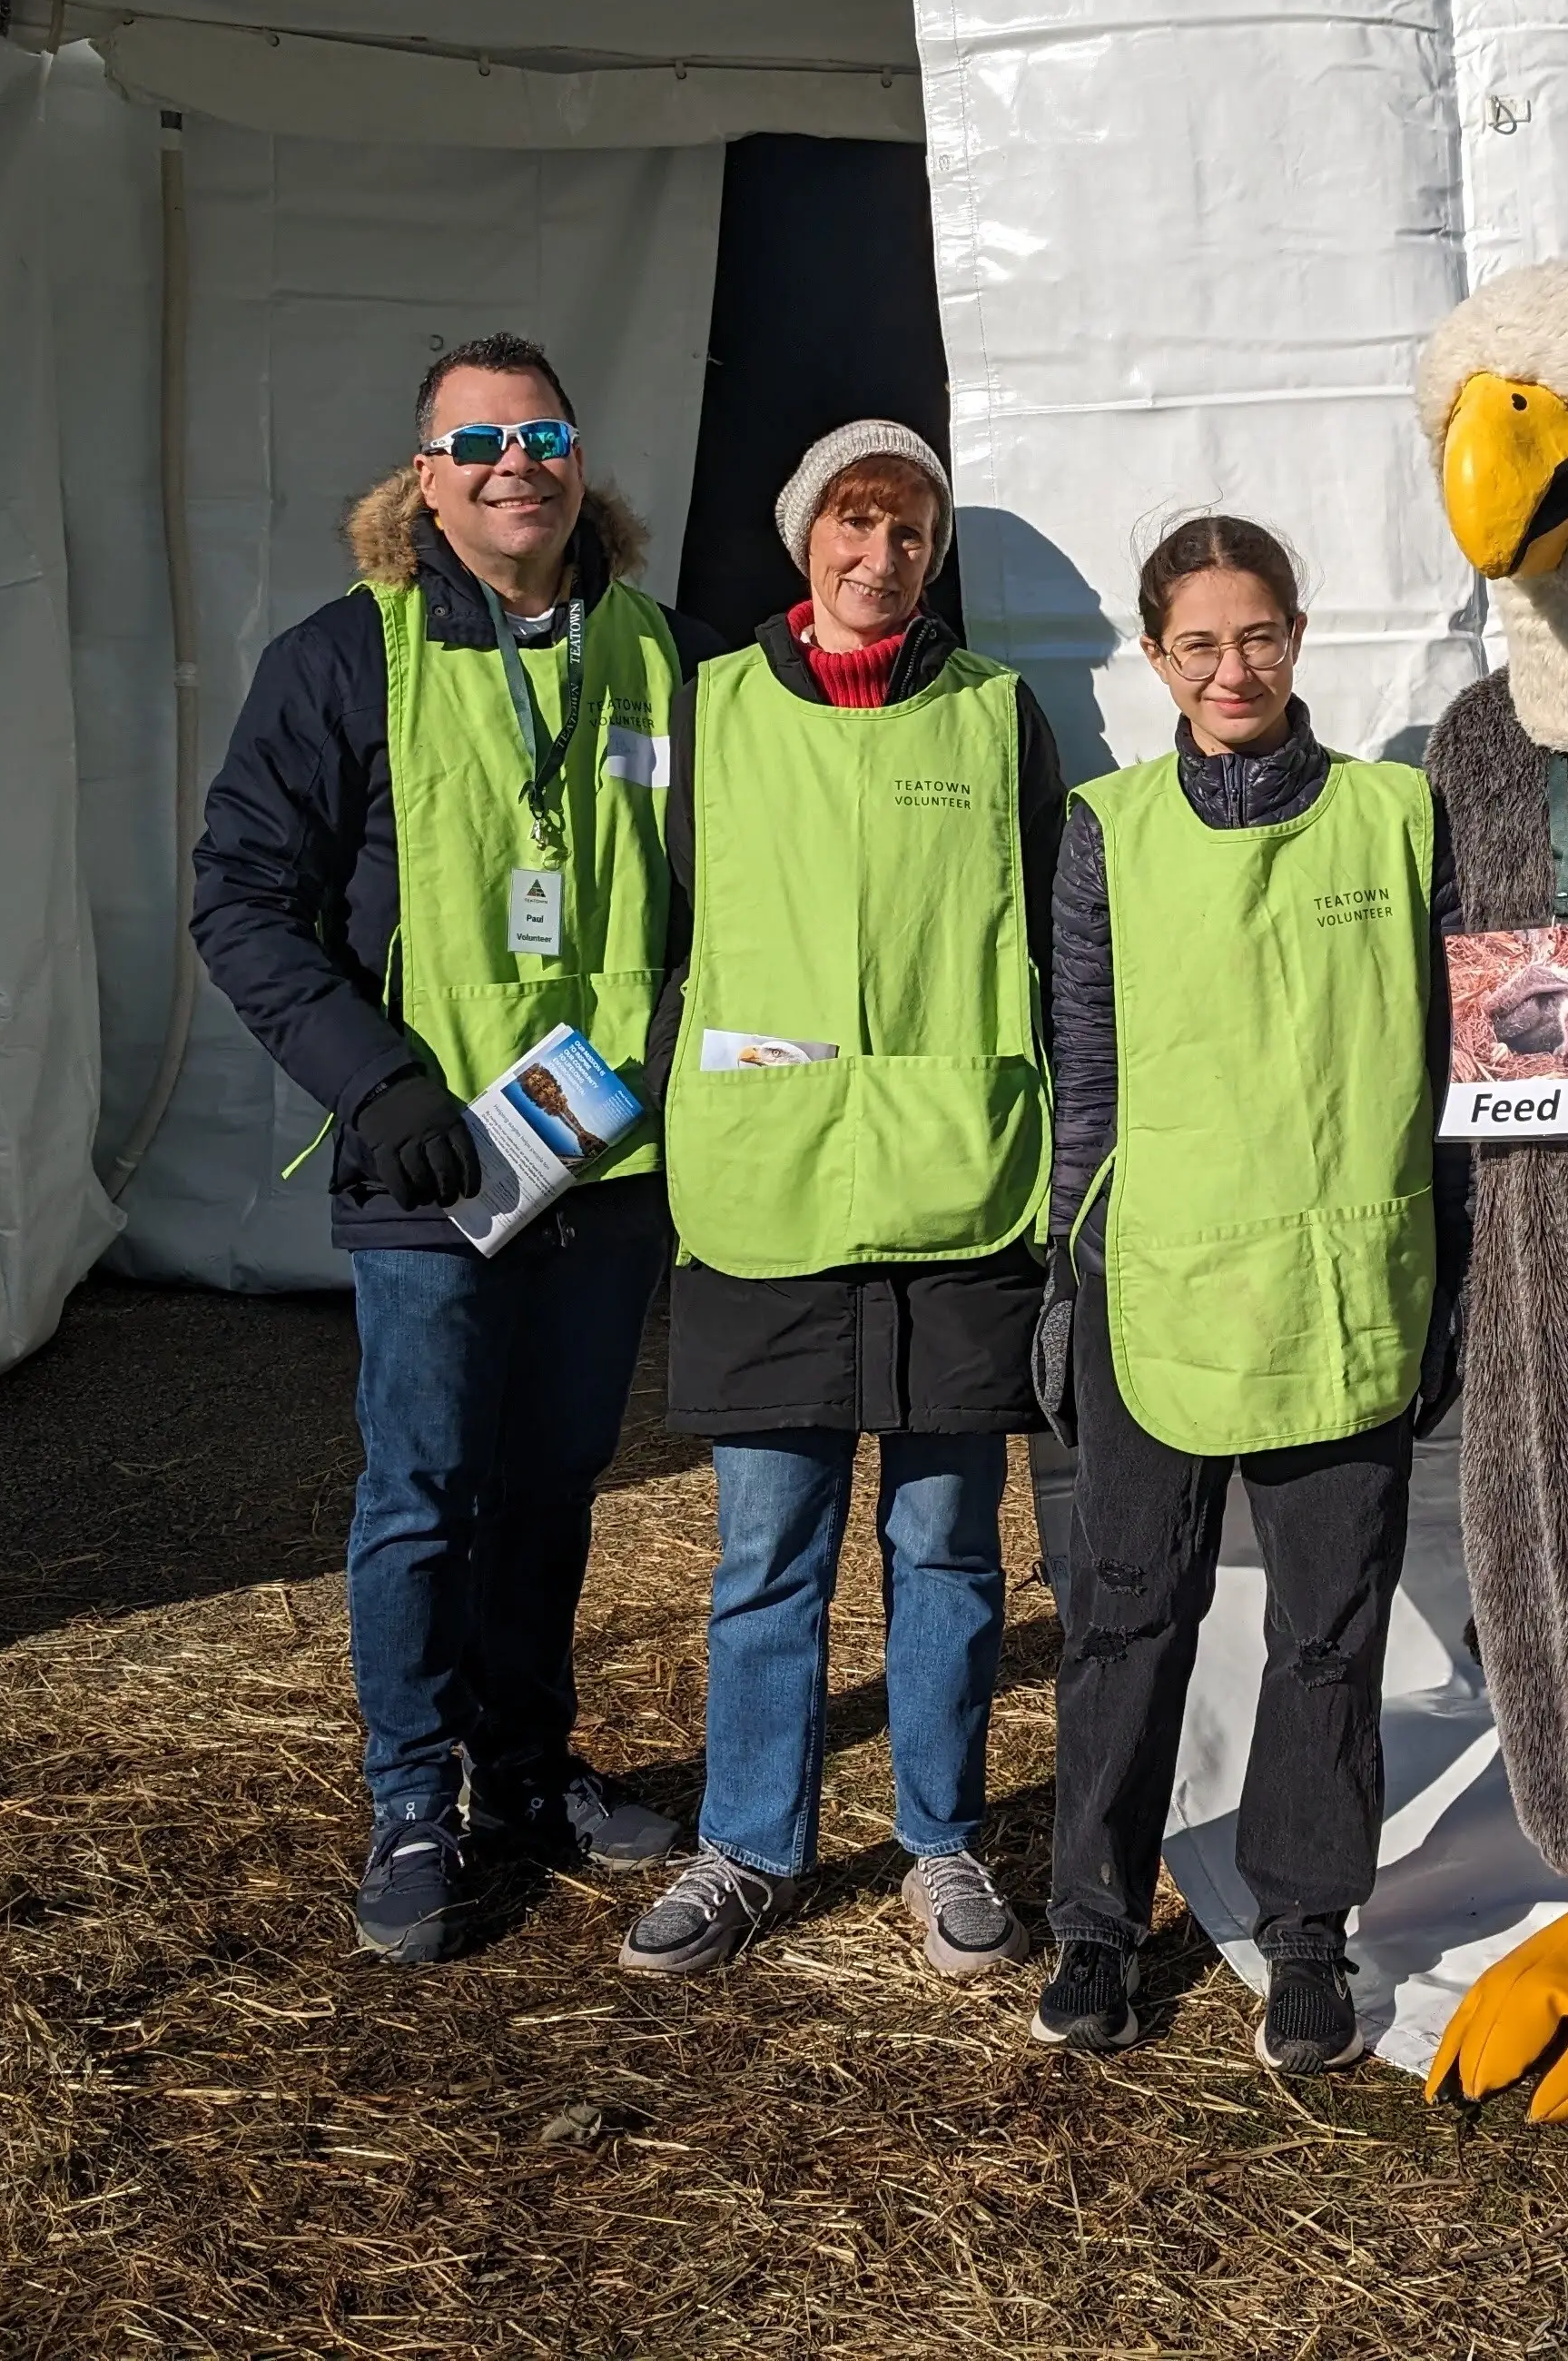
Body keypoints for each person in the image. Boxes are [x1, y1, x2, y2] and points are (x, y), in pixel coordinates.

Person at [192, 331, 710, 1966]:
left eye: (543, 433)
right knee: (423, 1496)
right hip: (432, 1167)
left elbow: (722, 895)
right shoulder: (345, 660)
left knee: (555, 1490)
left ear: (581, 462)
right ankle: (413, 1799)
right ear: (423, 477)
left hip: (604, 1165)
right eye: (478, 440)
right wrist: (378, 1084)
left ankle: (526, 1772)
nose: (516, 463)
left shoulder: (669, 661)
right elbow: (243, 898)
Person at [625, 423, 1066, 1981]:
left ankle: (940, 1839)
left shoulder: (1000, 720)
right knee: (767, 1556)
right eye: (856, 524)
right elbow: (667, 931)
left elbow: (1054, 950)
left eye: (914, 535)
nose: (883, 558)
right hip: (774, 1189)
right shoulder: (715, 705)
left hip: (959, 1190)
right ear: (804, 533)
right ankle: (749, 1845)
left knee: (948, 1547)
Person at [1032, 517, 1460, 2076]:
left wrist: (1453, 1267)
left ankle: (1305, 1929)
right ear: (1155, 657)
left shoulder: (1398, 818)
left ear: (1298, 635)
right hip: (1160, 1284)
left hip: (1346, 1285)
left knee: (1329, 1634)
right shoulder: (1107, 829)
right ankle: (1093, 1918)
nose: (1232, 669)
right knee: (1128, 1615)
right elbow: (1089, 1073)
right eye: (1198, 644)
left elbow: (1458, 1064)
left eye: (1258, 635)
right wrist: (1074, 1274)